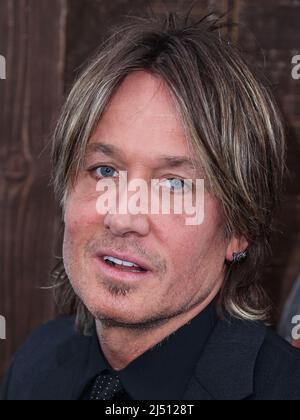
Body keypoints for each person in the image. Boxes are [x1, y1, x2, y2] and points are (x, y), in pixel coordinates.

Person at [1, 7, 300, 400]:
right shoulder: (34, 364)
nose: (124, 216)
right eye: (105, 171)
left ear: (239, 230)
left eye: (174, 184)